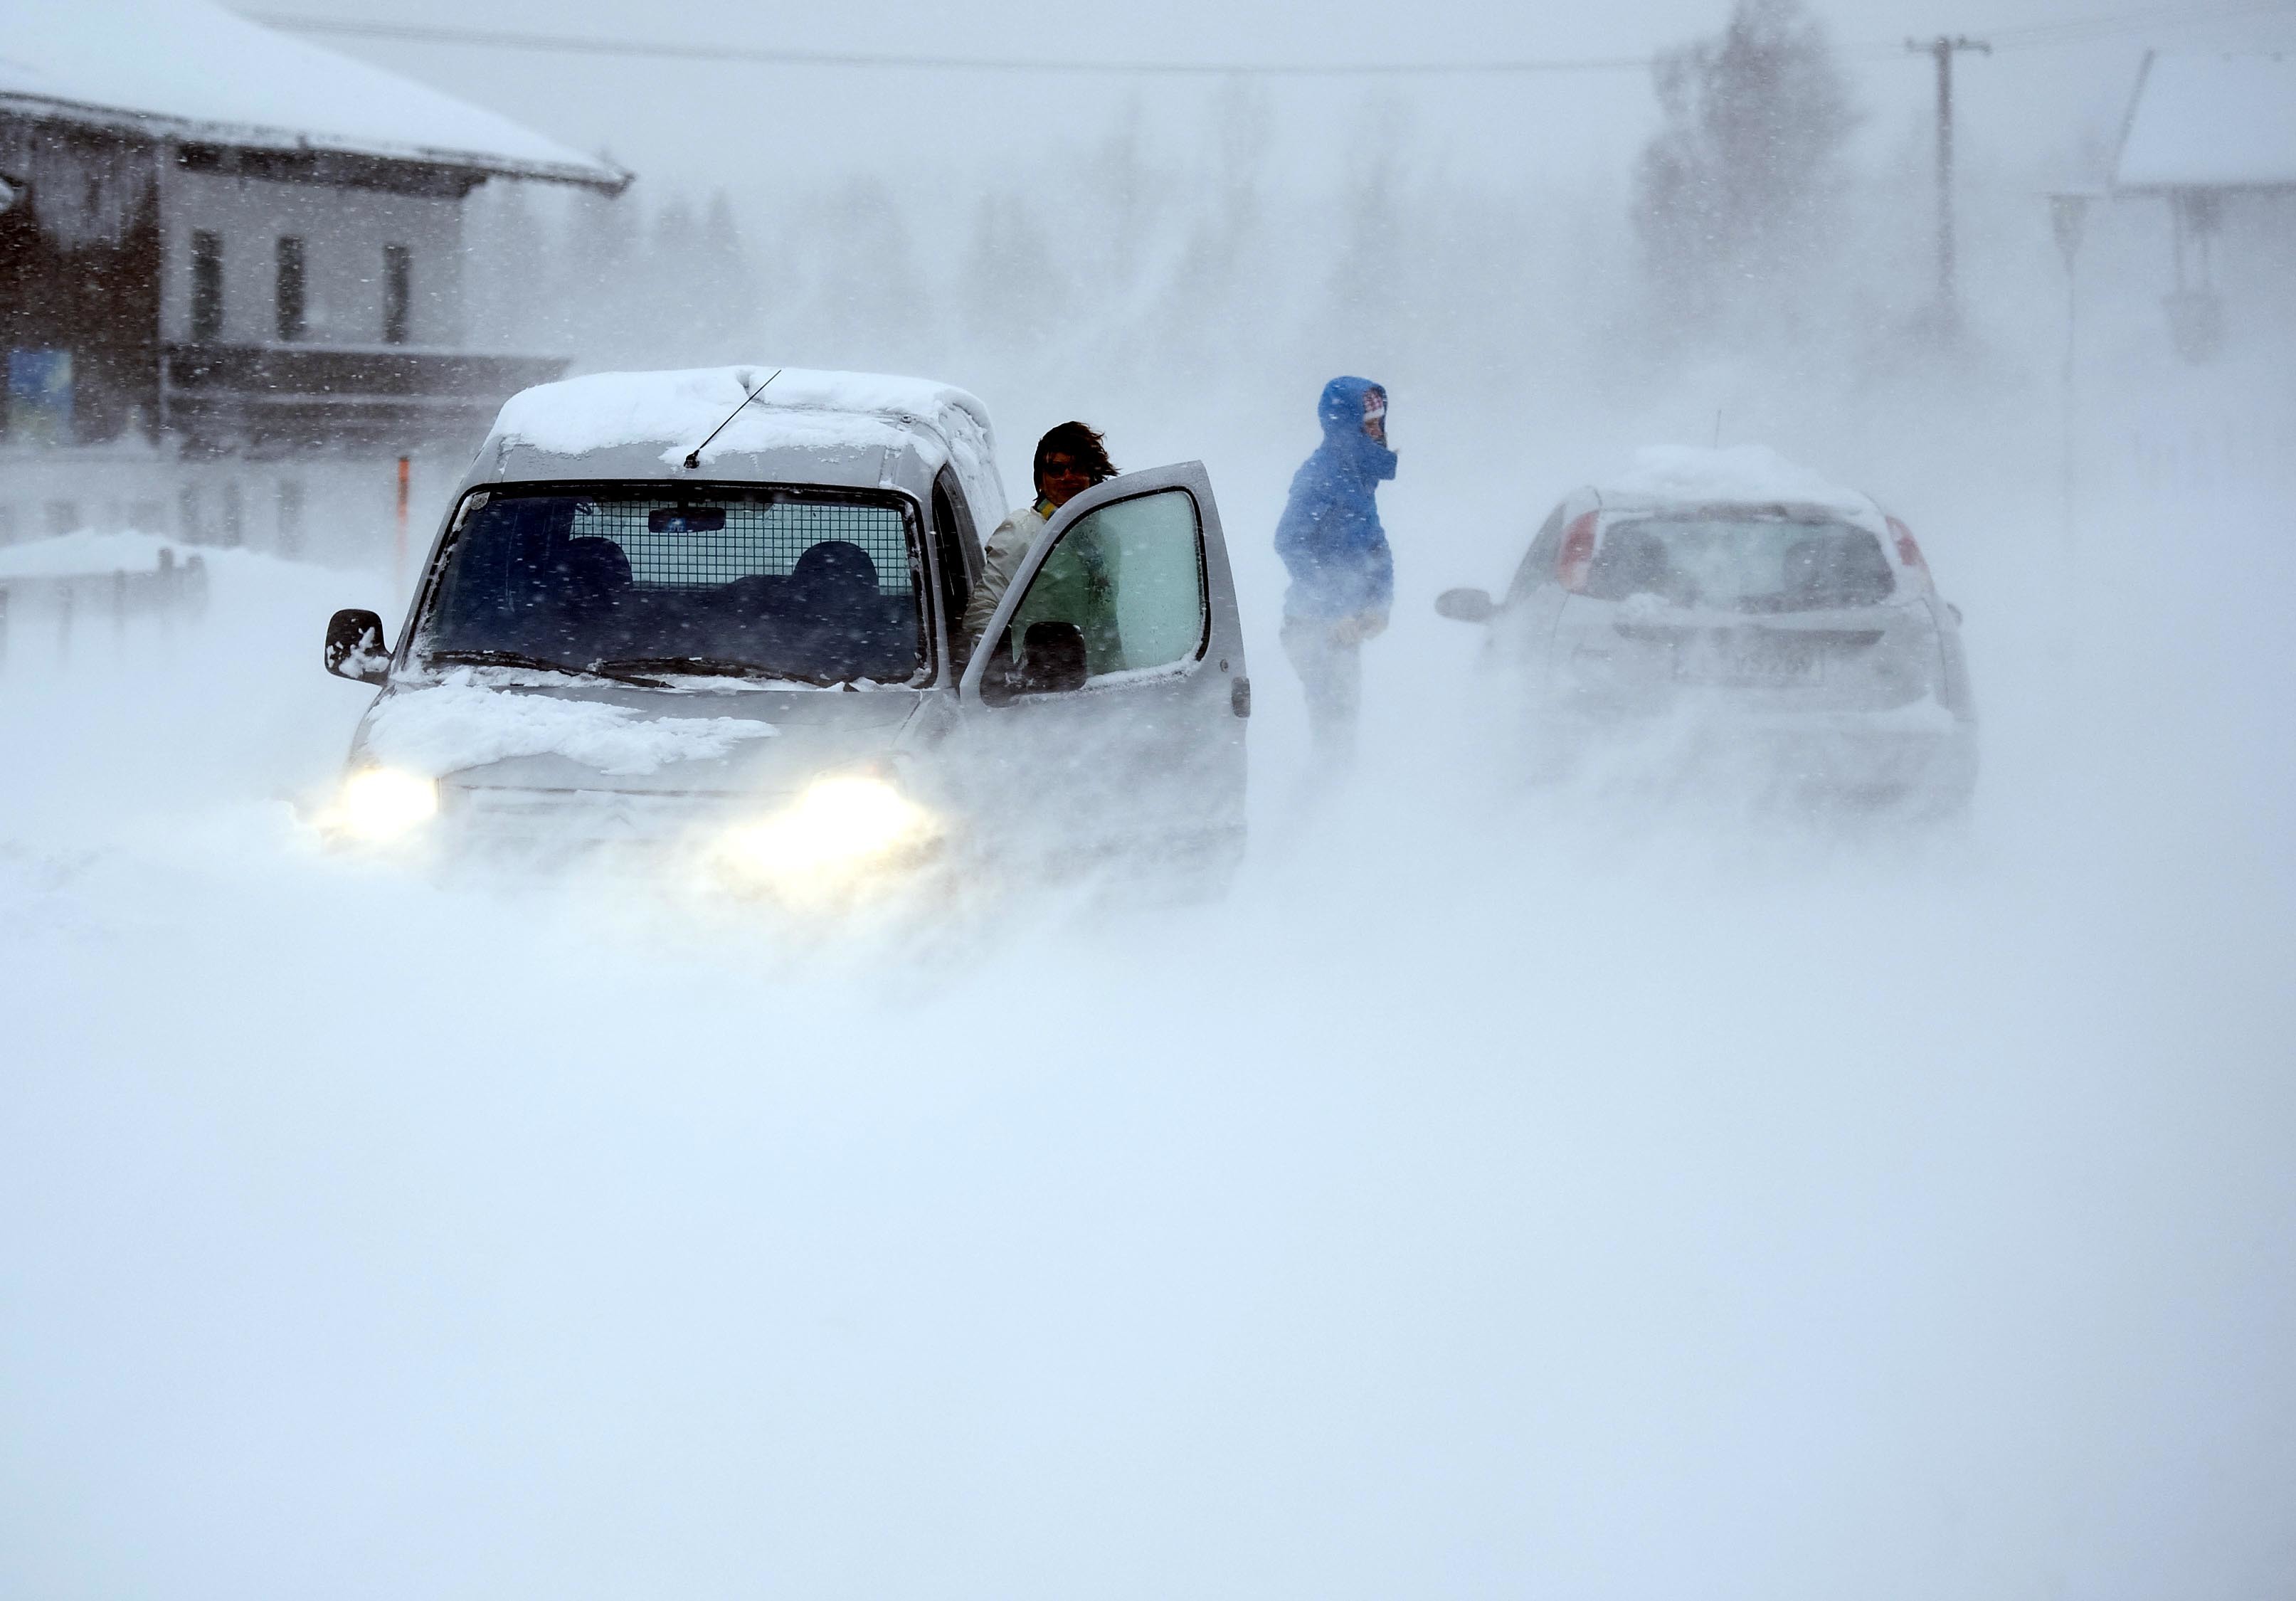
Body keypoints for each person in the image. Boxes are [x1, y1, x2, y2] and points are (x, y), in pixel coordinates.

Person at [1274, 376, 1395, 766]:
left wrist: (1378, 603)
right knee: (1334, 742)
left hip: (1344, 630)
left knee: (1342, 737)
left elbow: (1375, 546)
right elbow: (1289, 542)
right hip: (1312, 626)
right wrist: (1333, 608)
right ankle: (1315, 818)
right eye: (1367, 422)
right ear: (1345, 424)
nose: (1376, 430)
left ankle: (1336, 813)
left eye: (1379, 421)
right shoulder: (1320, 475)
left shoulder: (1358, 476)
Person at [962, 421, 1118, 645]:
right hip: (1041, 674)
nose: (1067, 477)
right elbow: (983, 610)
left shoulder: (1108, 536)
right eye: (1056, 469)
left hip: (1103, 675)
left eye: (1078, 468)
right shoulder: (1021, 530)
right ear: (1041, 480)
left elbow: (1110, 612)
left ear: (1092, 475)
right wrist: (1006, 671)